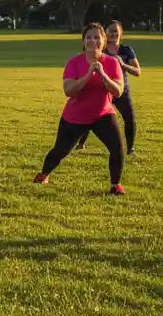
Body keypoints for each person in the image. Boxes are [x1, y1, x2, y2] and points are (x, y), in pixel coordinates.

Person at [35, 23, 126, 194]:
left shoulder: (112, 62)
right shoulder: (74, 62)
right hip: (75, 116)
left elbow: (118, 91)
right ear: (83, 41)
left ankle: (115, 185)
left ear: (104, 41)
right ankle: (43, 174)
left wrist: (102, 74)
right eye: (89, 37)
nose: (93, 41)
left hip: (103, 114)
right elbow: (69, 91)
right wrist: (88, 74)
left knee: (117, 148)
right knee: (60, 150)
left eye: (97, 37)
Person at [74, 20, 139, 156]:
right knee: (90, 116)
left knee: (129, 117)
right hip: (102, 90)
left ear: (120, 33)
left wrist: (123, 65)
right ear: (105, 33)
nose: (113, 34)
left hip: (120, 90)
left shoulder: (126, 50)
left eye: (116, 31)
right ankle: (80, 143)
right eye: (110, 31)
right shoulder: (100, 47)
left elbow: (137, 71)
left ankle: (130, 149)